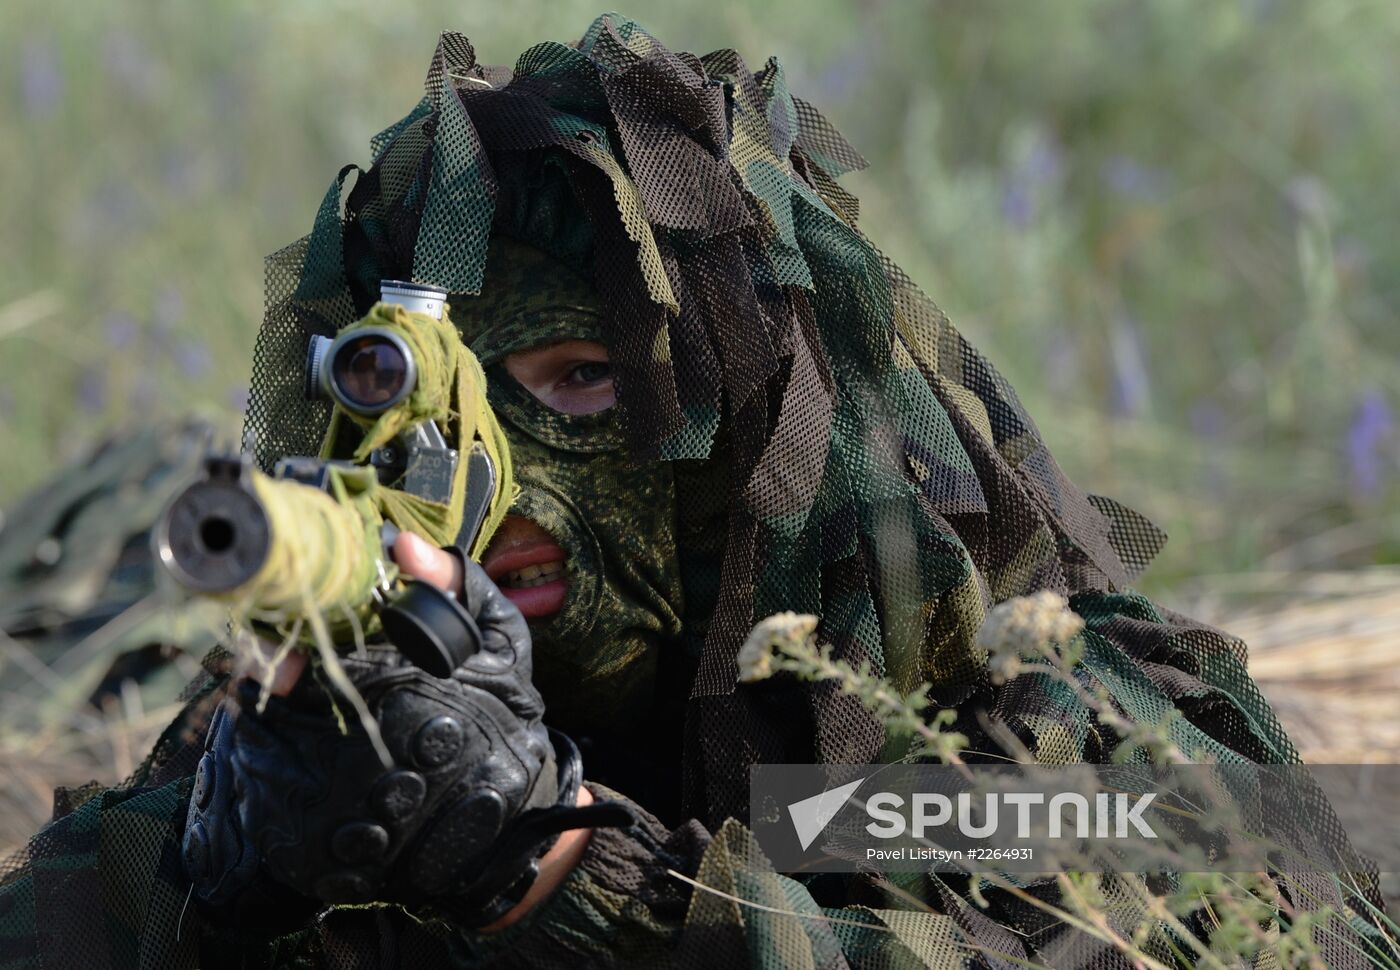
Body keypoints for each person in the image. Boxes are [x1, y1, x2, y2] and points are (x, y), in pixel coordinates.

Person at [0, 15, 1389, 969]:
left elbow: (1231, 921)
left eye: (579, 380)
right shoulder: (340, 730)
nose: (495, 485)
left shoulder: (989, 712)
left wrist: (560, 872)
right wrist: (208, 887)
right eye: (432, 407)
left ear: (753, 416)